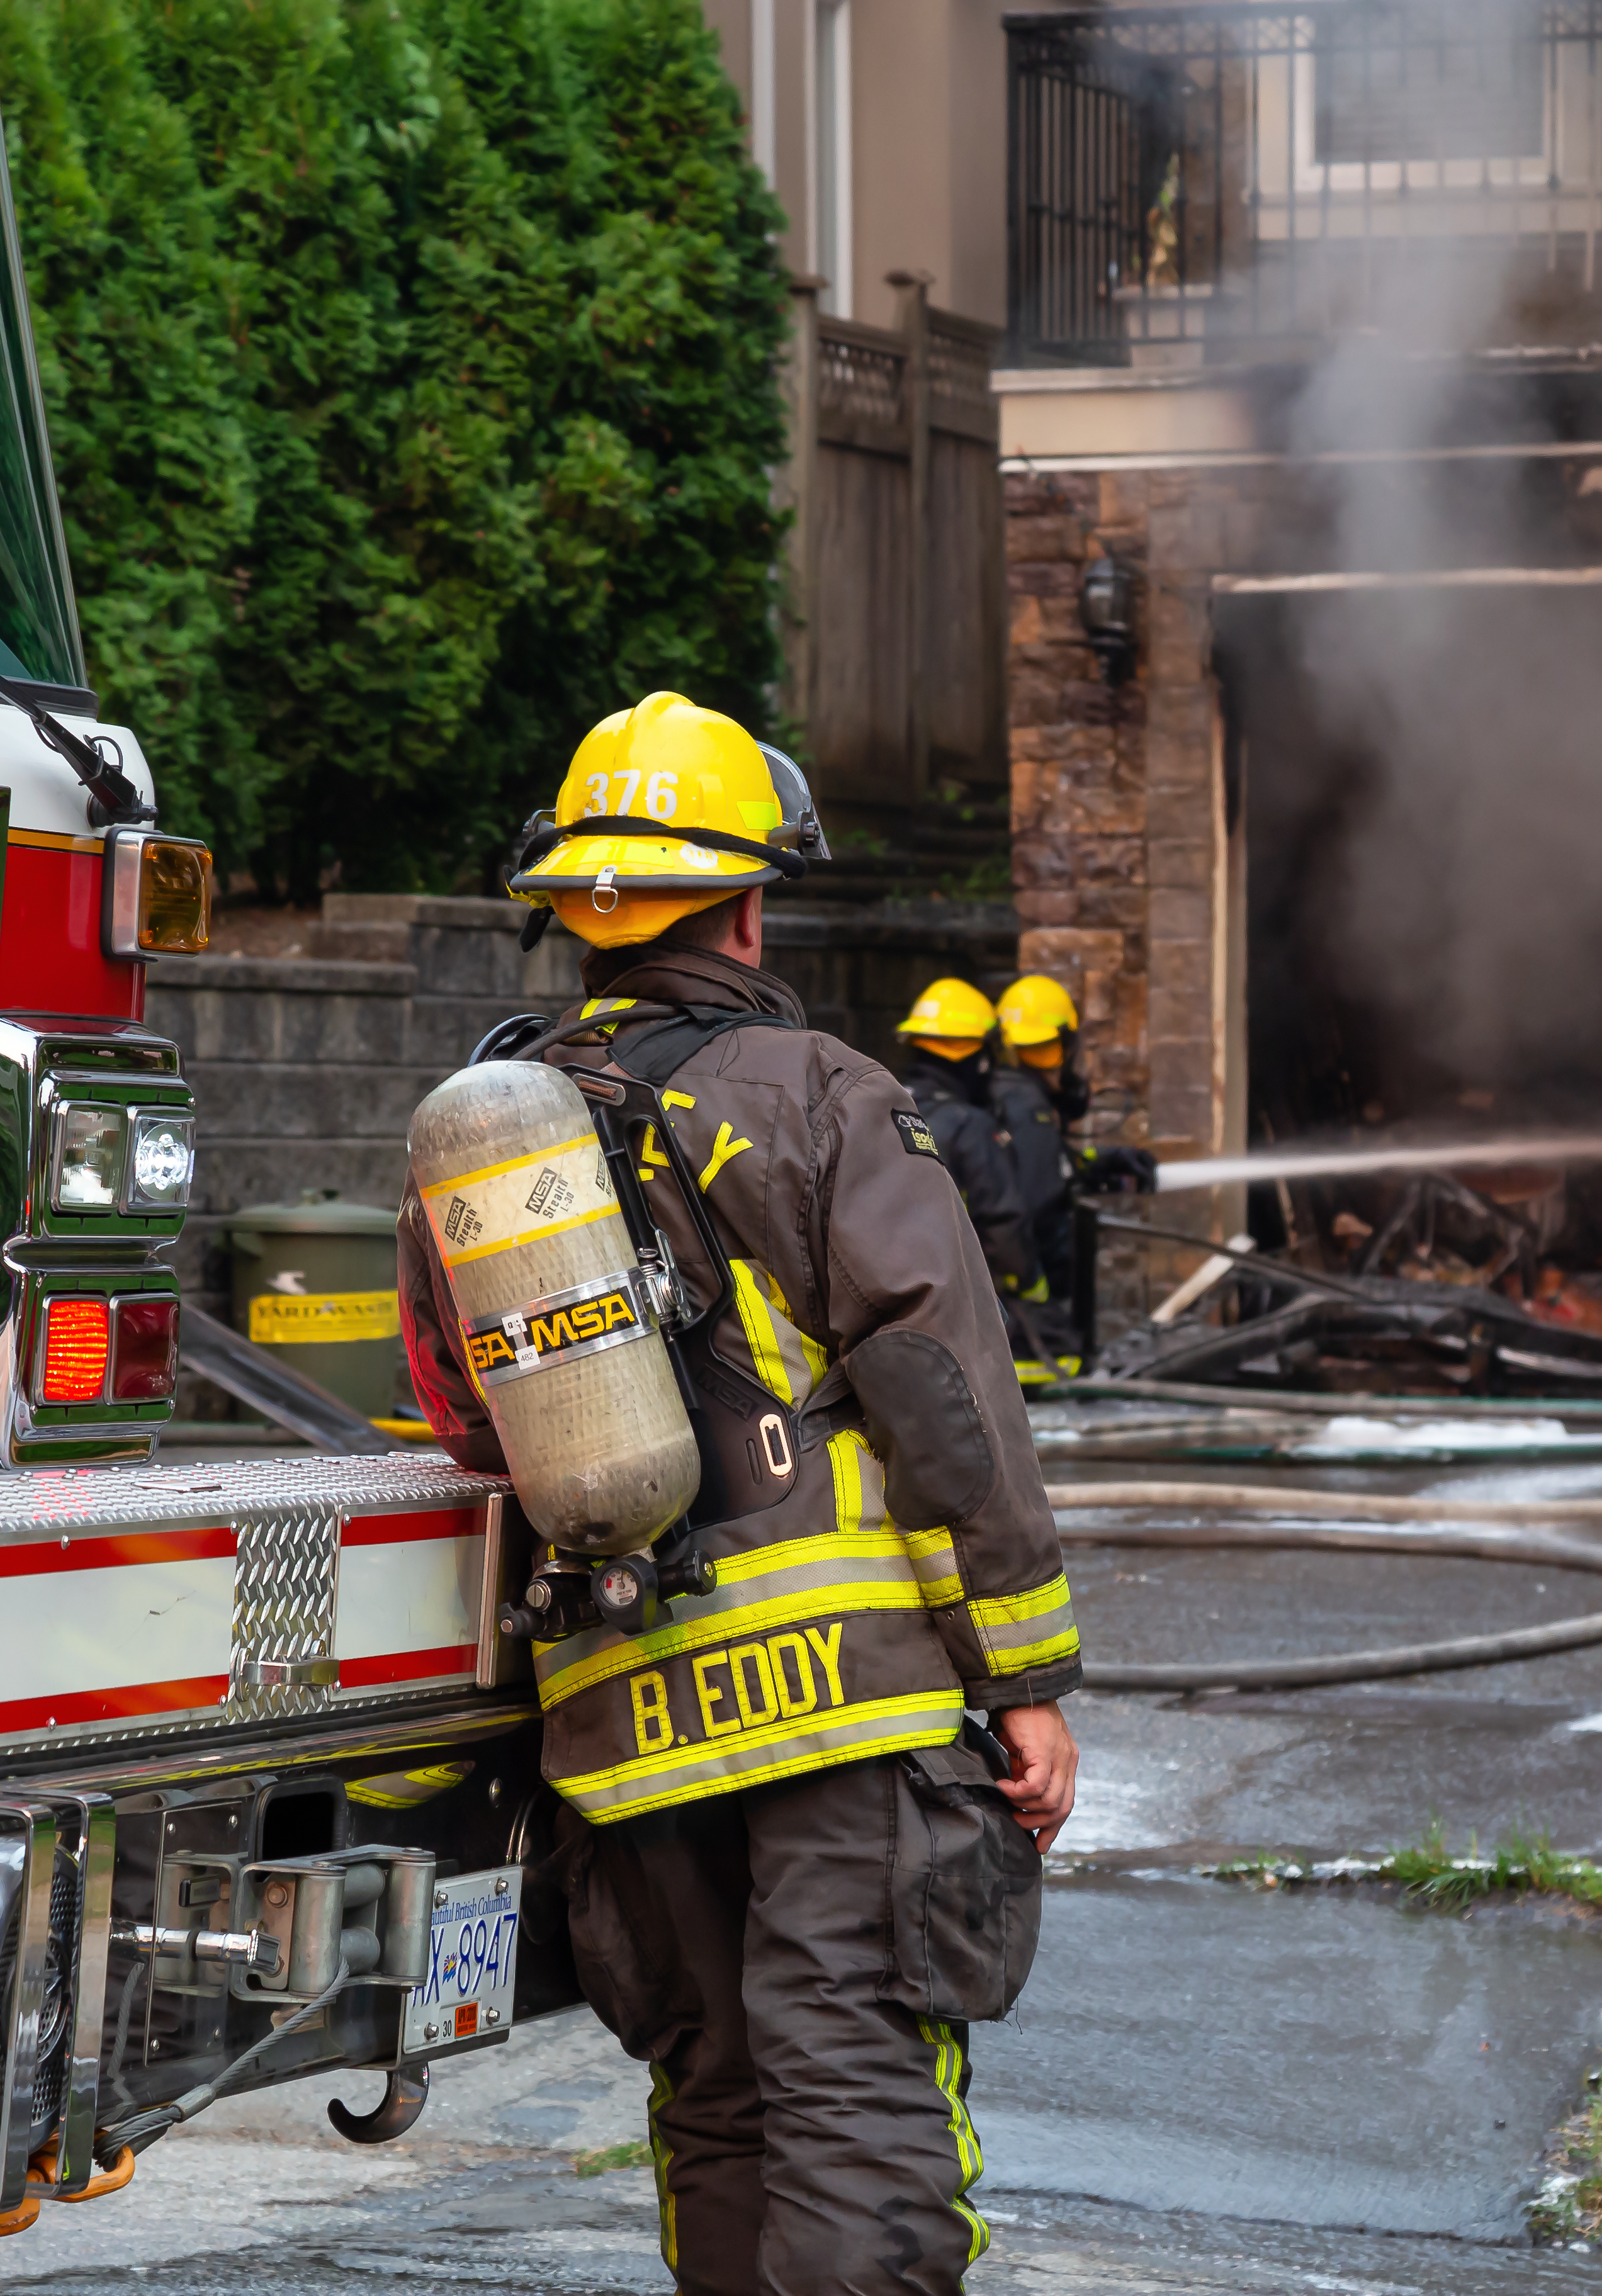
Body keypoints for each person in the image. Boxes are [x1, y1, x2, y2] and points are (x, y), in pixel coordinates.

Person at [393, 692, 1083, 2296]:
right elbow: (942, 1393)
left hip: (621, 1718)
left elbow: (470, 1422)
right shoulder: (821, 1093)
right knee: (855, 2091)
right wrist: (1027, 1676)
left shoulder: (482, 1148)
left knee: (717, 2103)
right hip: (845, 1706)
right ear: (749, 904)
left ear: (579, 911)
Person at [988, 973, 1158, 1376]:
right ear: (1062, 1046)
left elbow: (1043, 1167)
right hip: (1027, 1321)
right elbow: (1041, 1201)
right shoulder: (1027, 1109)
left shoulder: (1007, 1098)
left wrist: (1100, 1164)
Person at [891, 976, 1046, 1354]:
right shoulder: (969, 1126)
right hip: (955, 1312)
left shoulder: (879, 1107)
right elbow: (1001, 1221)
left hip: (885, 1302)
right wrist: (1031, 1283)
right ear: (977, 1058)